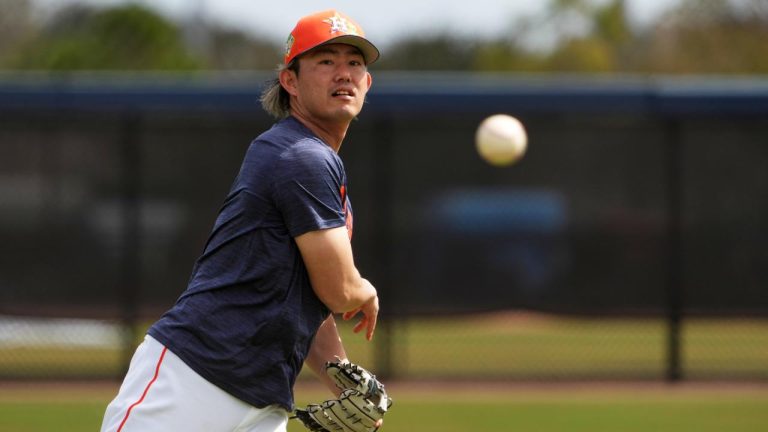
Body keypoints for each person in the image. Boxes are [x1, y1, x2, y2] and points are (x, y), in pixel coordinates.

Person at [101, 9, 382, 432]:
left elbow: (314, 299)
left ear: (367, 83)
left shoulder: (317, 162)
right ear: (290, 81)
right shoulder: (301, 156)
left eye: (354, 63)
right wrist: (365, 289)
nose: (343, 73)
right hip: (193, 377)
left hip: (262, 397)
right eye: (326, 61)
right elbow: (339, 290)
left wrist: (339, 377)